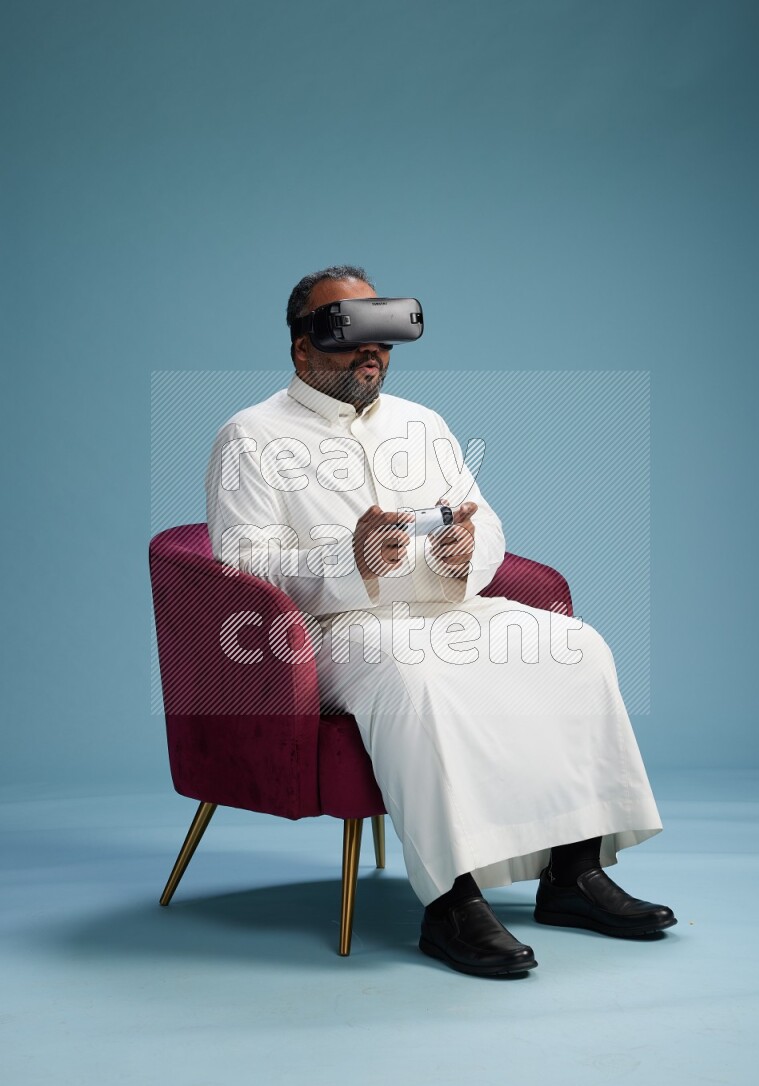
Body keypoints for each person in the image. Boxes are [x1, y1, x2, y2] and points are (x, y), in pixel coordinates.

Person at [205, 264, 676, 977]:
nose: (373, 351)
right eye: (349, 332)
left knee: (575, 648)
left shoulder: (422, 424)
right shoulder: (250, 437)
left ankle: (573, 873)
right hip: (332, 632)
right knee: (413, 674)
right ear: (302, 348)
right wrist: (349, 559)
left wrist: (468, 552)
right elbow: (243, 569)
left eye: (384, 333)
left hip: (448, 607)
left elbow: (486, 527)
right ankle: (452, 904)